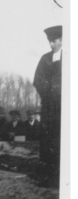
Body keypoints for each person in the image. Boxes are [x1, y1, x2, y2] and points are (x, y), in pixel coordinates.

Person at [33, 25, 62, 184]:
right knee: (47, 136)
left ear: (63, 40)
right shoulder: (45, 59)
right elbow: (38, 80)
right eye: (50, 41)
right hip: (49, 107)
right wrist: (49, 94)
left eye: (54, 41)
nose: (51, 44)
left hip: (66, 107)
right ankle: (47, 170)